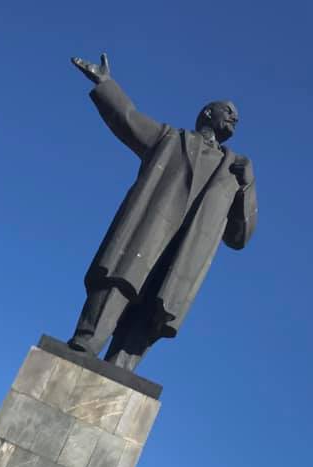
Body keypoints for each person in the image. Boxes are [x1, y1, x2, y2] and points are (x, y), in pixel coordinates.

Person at [66, 53, 257, 370]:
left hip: (181, 255)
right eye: (229, 112)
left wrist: (248, 185)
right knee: (118, 285)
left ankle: (121, 368)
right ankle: (85, 343)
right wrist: (106, 83)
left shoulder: (235, 173)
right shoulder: (170, 139)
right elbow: (128, 118)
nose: (235, 118)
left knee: (155, 308)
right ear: (208, 113)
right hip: (147, 236)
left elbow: (239, 237)